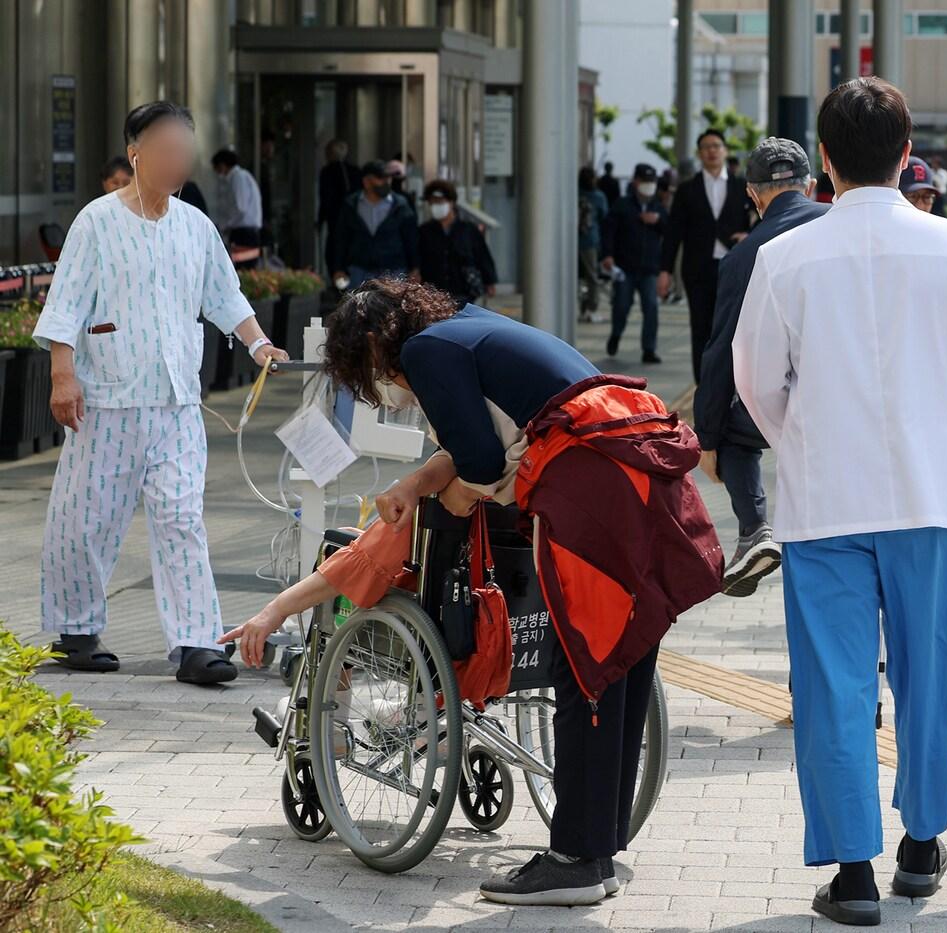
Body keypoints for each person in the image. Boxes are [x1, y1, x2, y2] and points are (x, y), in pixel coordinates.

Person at [242, 278, 720, 905]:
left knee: (587, 665)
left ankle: (574, 860)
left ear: (377, 351)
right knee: (623, 657)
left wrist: (435, 492)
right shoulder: (469, 327)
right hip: (634, 456)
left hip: (591, 480)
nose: (386, 394)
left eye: (370, 376)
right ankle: (595, 850)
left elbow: (481, 469)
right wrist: (419, 484)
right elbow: (482, 449)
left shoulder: (425, 353)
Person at [734, 78, 947, 926]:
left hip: (825, 498)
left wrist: (804, 439)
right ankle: (925, 844)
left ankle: (853, 869)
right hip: (933, 494)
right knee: (931, 672)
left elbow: (756, 383)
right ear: (907, 153)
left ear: (823, 162)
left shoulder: (783, 256)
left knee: (834, 682)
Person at [33, 101, 287, 685]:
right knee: (86, 517)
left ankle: (196, 644)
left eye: (185, 153)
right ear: (135, 153)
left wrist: (259, 345)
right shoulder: (96, 222)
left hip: (176, 402)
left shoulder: (195, 226)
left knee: (181, 519)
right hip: (107, 400)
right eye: (168, 150)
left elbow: (226, 298)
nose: (179, 163)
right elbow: (65, 304)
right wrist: (62, 376)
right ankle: (75, 629)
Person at [695, 137, 825, 598]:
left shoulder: (744, 255)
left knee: (733, 435)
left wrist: (706, 436)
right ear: (810, 185)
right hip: (860, 400)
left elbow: (720, 353)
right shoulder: (840, 226)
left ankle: (754, 529)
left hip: (782, 404)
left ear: (751, 194)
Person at [661, 129, 752, 381]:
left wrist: (748, 235)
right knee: (700, 328)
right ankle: (703, 384)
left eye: (716, 145)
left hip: (732, 267)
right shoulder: (687, 190)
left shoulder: (742, 186)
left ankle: (729, 383)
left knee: (731, 328)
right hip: (697, 269)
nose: (712, 150)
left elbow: (762, 218)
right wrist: (665, 271)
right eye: (706, 147)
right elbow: (673, 233)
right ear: (700, 154)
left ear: (724, 151)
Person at [601, 163, 667, 363]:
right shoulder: (622, 205)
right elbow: (609, 231)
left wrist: (657, 222)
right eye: (645, 181)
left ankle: (649, 349)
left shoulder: (658, 207)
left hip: (649, 268)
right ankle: (616, 334)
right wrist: (607, 255)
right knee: (621, 305)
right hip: (625, 267)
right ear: (636, 181)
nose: (649, 185)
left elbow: (670, 230)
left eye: (652, 182)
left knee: (651, 307)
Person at [332, 159, 419, 290]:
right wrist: (338, 268)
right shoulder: (351, 205)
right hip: (358, 271)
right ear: (366, 182)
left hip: (393, 272)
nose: (387, 182)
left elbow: (411, 239)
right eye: (381, 179)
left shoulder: (401, 205)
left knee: (392, 310)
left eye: (388, 178)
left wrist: (415, 268)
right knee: (358, 309)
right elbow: (341, 238)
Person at [418, 179, 497, 305]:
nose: (435, 206)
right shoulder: (425, 231)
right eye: (432, 203)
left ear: (451, 202)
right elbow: (418, 259)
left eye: (439, 202)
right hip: (434, 292)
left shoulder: (468, 229)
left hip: (463, 290)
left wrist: (490, 281)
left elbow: (482, 255)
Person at [318, 139, 361, 275]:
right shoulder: (355, 170)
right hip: (352, 217)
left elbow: (325, 198)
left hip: (335, 217)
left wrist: (320, 220)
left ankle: (337, 276)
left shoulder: (327, 172)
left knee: (335, 248)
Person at [210, 147, 262, 248]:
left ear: (222, 165)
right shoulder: (240, 177)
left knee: (243, 262)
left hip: (244, 232)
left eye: (217, 170)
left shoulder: (238, 177)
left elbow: (240, 208)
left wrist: (226, 225)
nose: (218, 174)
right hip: (244, 231)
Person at [578, 166, 609, 323]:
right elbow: (604, 216)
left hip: (570, 241)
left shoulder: (574, 193)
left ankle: (582, 305)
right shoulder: (598, 197)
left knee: (575, 278)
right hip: (590, 240)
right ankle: (592, 307)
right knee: (592, 276)